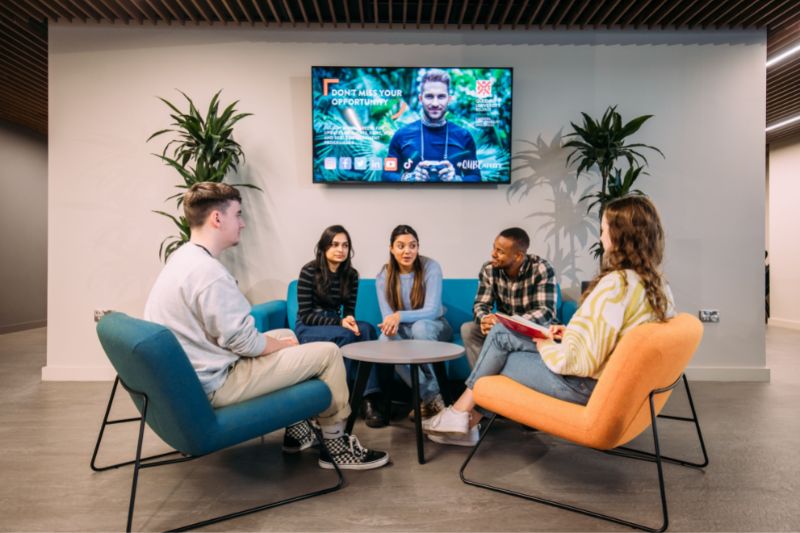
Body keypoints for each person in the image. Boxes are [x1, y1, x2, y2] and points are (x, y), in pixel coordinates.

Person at [144, 182, 389, 470]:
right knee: (327, 353)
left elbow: (231, 335)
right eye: (238, 214)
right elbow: (245, 343)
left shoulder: (183, 258)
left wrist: (281, 342)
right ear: (217, 218)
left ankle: (297, 431)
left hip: (196, 373)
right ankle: (335, 446)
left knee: (285, 334)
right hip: (216, 384)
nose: (243, 223)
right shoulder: (208, 273)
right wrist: (281, 347)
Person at [423, 195, 676, 446]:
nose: (601, 237)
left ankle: (461, 415)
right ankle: (466, 418)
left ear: (620, 236)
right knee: (496, 338)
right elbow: (610, 338)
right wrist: (568, 333)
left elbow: (579, 362)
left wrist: (547, 346)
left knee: (498, 349)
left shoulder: (615, 285)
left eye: (604, 230)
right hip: (606, 382)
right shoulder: (657, 285)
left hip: (581, 386)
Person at [295, 225, 390, 428]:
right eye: (335, 244)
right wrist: (340, 323)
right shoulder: (309, 271)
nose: (341, 249)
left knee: (367, 330)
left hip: (335, 323)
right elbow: (306, 315)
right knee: (345, 337)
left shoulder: (351, 275)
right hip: (308, 326)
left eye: (345, 245)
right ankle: (341, 399)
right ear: (324, 247)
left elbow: (348, 311)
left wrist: (350, 321)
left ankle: (369, 398)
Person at [376, 225, 452, 418]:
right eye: (400, 246)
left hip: (435, 325)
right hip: (403, 330)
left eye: (412, 245)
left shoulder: (431, 267)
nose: (407, 251)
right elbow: (388, 318)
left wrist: (399, 315)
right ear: (391, 249)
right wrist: (389, 327)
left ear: (418, 247)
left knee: (420, 328)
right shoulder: (384, 276)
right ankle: (432, 396)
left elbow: (432, 310)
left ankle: (428, 398)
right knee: (384, 342)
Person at [461, 227, 558, 367]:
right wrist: (486, 319)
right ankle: (483, 381)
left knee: (504, 331)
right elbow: (480, 305)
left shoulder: (541, 269)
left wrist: (511, 323)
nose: (493, 254)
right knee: (469, 329)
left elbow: (545, 311)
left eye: (500, 251)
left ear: (518, 256)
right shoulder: (489, 269)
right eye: (494, 248)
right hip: (502, 327)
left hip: (533, 328)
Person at [382, 69, 481, 183]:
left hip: (454, 200)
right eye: (429, 96)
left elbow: (476, 177)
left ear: (449, 99)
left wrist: (456, 179)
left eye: (441, 97)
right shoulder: (402, 135)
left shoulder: (463, 136)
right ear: (420, 99)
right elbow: (386, 174)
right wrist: (409, 177)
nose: (435, 103)